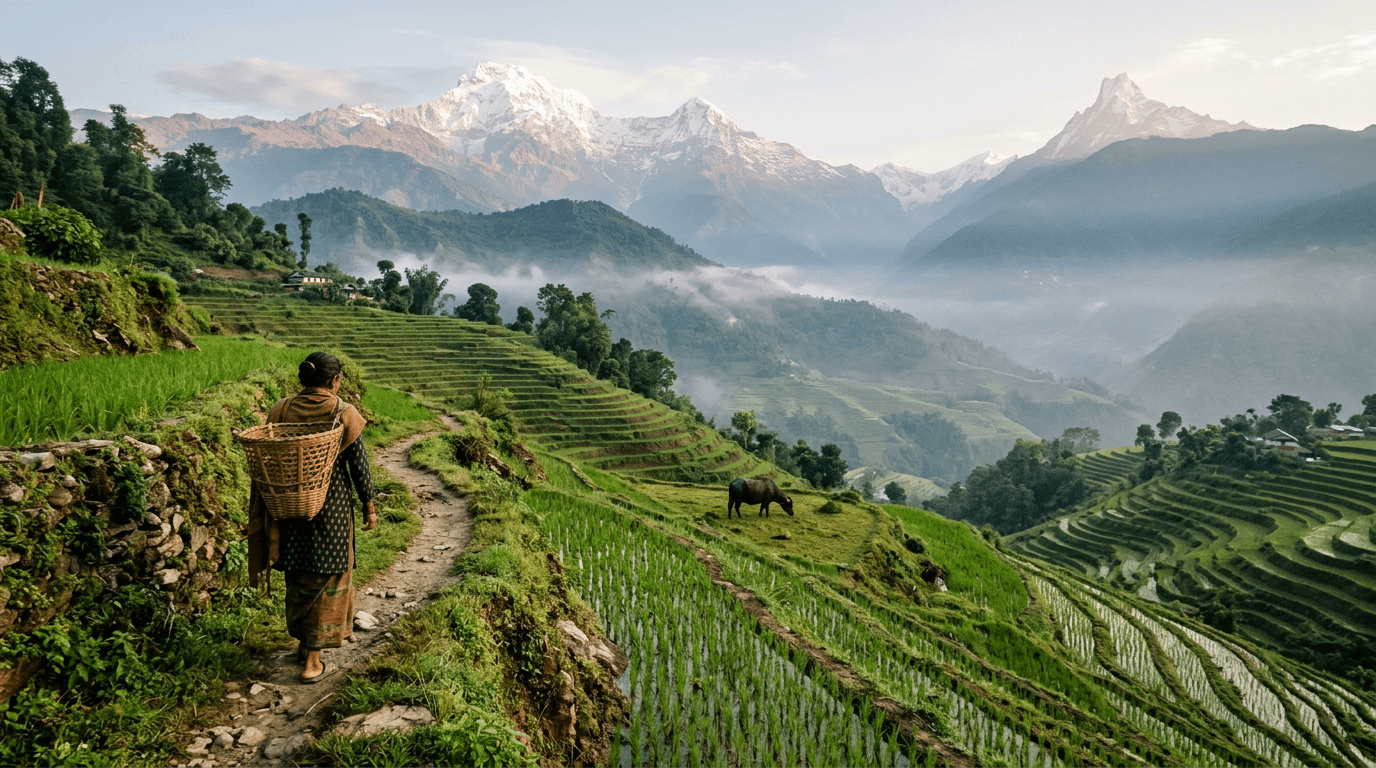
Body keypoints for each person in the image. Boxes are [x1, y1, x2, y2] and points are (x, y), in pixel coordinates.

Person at [247, 351, 377, 683]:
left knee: (299, 573)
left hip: (288, 510)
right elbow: (359, 466)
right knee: (327, 574)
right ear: (335, 381)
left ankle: (303, 646)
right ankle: (313, 662)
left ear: (304, 379)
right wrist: (369, 505)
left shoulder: (281, 409)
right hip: (329, 510)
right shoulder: (344, 413)